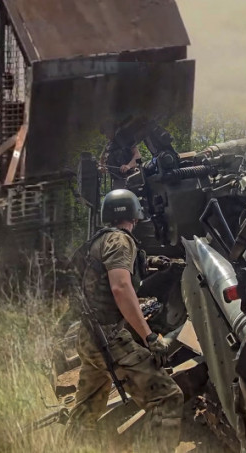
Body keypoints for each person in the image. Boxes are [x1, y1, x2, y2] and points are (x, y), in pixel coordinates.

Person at [68, 189, 183, 452]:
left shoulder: (102, 240)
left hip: (88, 337)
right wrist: (149, 337)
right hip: (108, 338)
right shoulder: (121, 241)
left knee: (86, 410)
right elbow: (120, 287)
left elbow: (111, 271)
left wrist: (156, 262)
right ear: (134, 215)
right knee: (167, 397)